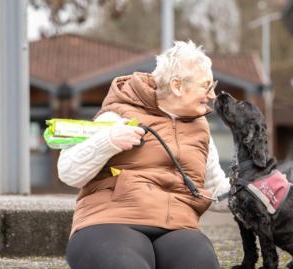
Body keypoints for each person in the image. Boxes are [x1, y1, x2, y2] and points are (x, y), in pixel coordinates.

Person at [58, 41, 230, 269]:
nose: (212, 95)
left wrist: (257, 190)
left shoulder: (201, 129)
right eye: (206, 86)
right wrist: (109, 141)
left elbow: (214, 189)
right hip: (111, 220)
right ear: (177, 86)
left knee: (201, 263)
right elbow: (68, 171)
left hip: (177, 226)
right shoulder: (117, 115)